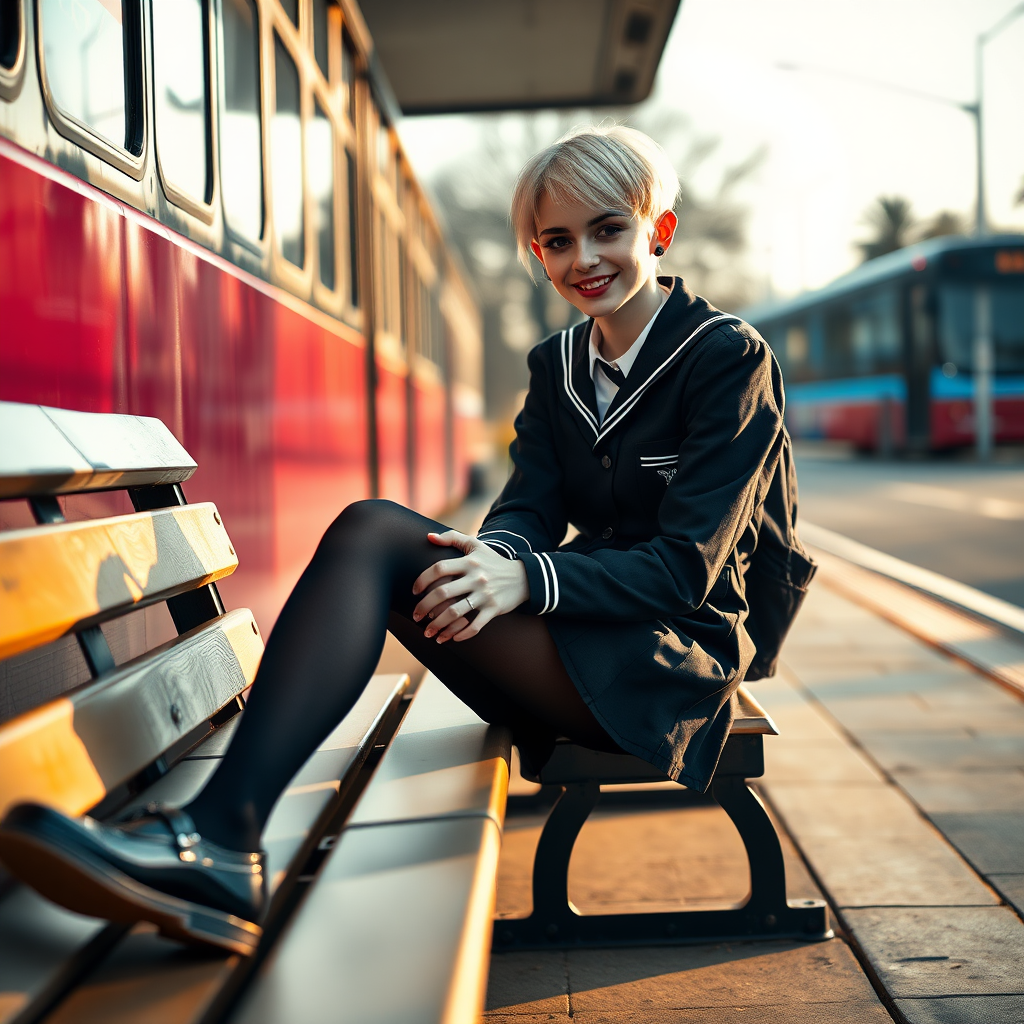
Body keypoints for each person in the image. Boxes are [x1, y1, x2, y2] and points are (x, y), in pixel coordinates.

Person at [0, 125, 789, 956]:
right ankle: (220, 836)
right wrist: (500, 559)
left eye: (609, 230)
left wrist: (532, 583)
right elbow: (527, 506)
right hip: (585, 638)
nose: (584, 258)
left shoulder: (726, 358)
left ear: (657, 233)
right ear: (537, 251)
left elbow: (686, 568)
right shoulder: (557, 365)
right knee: (388, 541)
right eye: (559, 241)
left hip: (669, 662)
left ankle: (221, 836)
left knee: (374, 533)